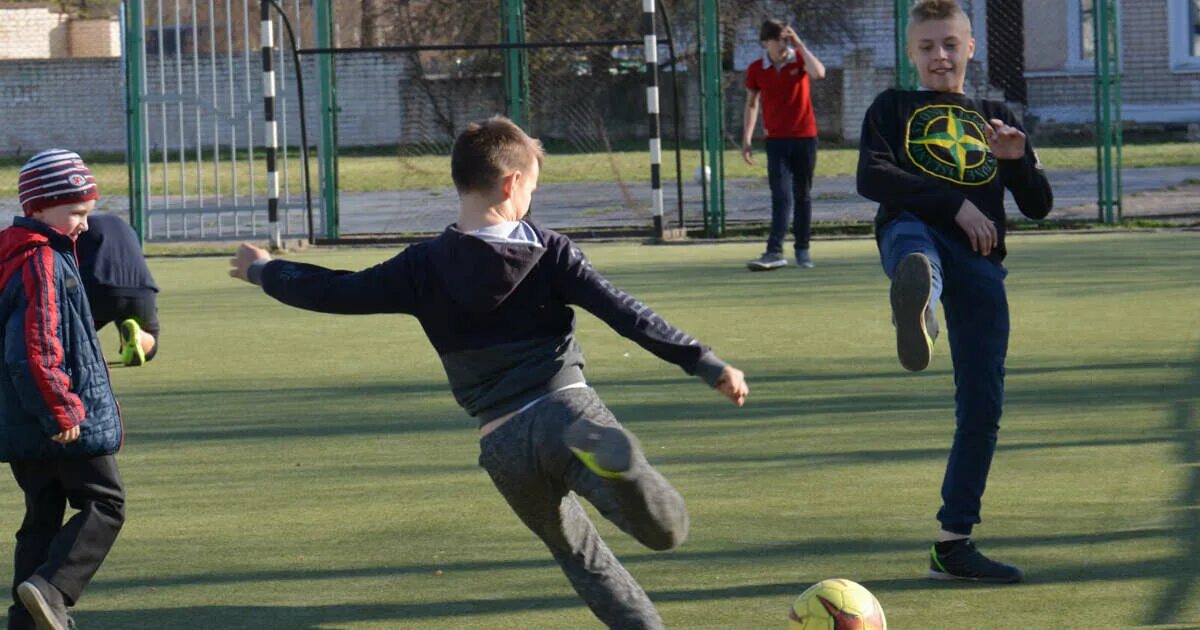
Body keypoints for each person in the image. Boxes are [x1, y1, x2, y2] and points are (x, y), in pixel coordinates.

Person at [229, 116, 750, 628]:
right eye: (532, 188)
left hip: (502, 445)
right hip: (568, 417)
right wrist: (703, 362)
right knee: (667, 532)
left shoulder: (420, 266)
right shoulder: (550, 253)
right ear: (512, 182)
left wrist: (263, 269)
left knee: (582, 557)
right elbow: (627, 314)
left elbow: (331, 291)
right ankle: (624, 467)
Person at [856, 0, 1052, 583]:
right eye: (926, 47)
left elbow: (1038, 206)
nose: (938, 57)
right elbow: (872, 175)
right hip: (918, 230)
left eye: (949, 44)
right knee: (914, 240)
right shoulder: (892, 107)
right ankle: (922, 301)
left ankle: (953, 544)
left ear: (970, 47)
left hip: (982, 262)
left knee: (983, 404)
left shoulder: (995, 114)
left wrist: (1016, 163)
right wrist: (957, 203)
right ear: (911, 52)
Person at [1, 149, 126, 630]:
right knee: (105, 503)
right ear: (37, 209)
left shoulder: (13, 254)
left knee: (43, 516)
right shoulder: (41, 261)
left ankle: (25, 621)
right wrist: (61, 408)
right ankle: (52, 591)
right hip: (60, 418)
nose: (84, 225)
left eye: (87, 212)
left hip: (21, 422)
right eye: (75, 212)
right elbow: (35, 345)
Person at [742, 19, 826, 271]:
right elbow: (751, 104)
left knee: (803, 195)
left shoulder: (798, 60)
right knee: (780, 195)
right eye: (778, 39)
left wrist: (799, 44)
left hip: (805, 138)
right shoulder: (757, 69)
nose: (782, 44)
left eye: (785, 39)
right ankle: (774, 251)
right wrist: (747, 138)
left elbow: (819, 73)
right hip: (776, 141)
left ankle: (803, 250)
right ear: (766, 42)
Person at [75, 213, 160, 367]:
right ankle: (139, 337)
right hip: (141, 293)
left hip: (98, 293)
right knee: (151, 337)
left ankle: (81, 350)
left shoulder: (80, 228)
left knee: (71, 331)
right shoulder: (126, 227)